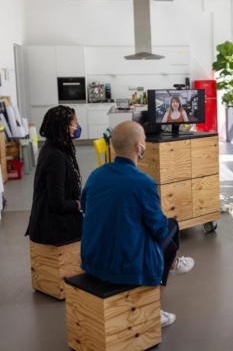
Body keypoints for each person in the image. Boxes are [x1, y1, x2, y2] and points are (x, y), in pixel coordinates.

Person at [80, 121, 194, 328]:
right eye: (144, 143)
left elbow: (86, 208)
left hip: (92, 258)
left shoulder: (96, 175)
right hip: (125, 264)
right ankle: (152, 308)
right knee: (172, 230)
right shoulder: (144, 182)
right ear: (138, 147)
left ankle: (171, 267)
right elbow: (159, 229)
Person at [25, 105, 83, 245]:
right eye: (76, 123)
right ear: (64, 127)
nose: (78, 126)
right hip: (54, 231)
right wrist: (80, 204)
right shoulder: (55, 156)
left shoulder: (57, 147)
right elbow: (57, 204)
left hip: (56, 225)